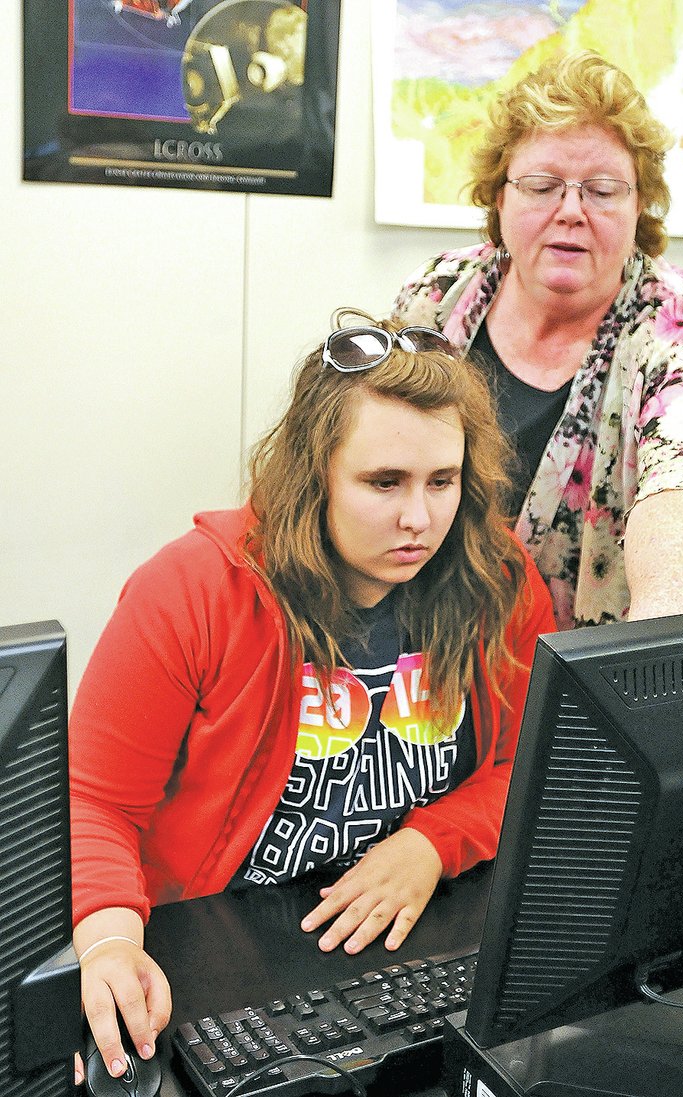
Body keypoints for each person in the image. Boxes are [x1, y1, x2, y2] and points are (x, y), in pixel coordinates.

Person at [69, 310, 556, 1083]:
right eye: (382, 482)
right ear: (314, 472)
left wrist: (431, 842)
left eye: (443, 481)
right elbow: (94, 801)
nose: (419, 517)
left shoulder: (497, 579)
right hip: (225, 948)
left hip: (410, 933)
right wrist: (109, 943)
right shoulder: (193, 589)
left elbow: (526, 768)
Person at [392, 51, 683, 631]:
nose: (571, 212)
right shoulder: (437, 297)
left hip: (590, 677)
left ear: (639, 207)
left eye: (603, 190)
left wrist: (658, 632)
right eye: (541, 186)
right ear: (500, 198)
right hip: (427, 650)